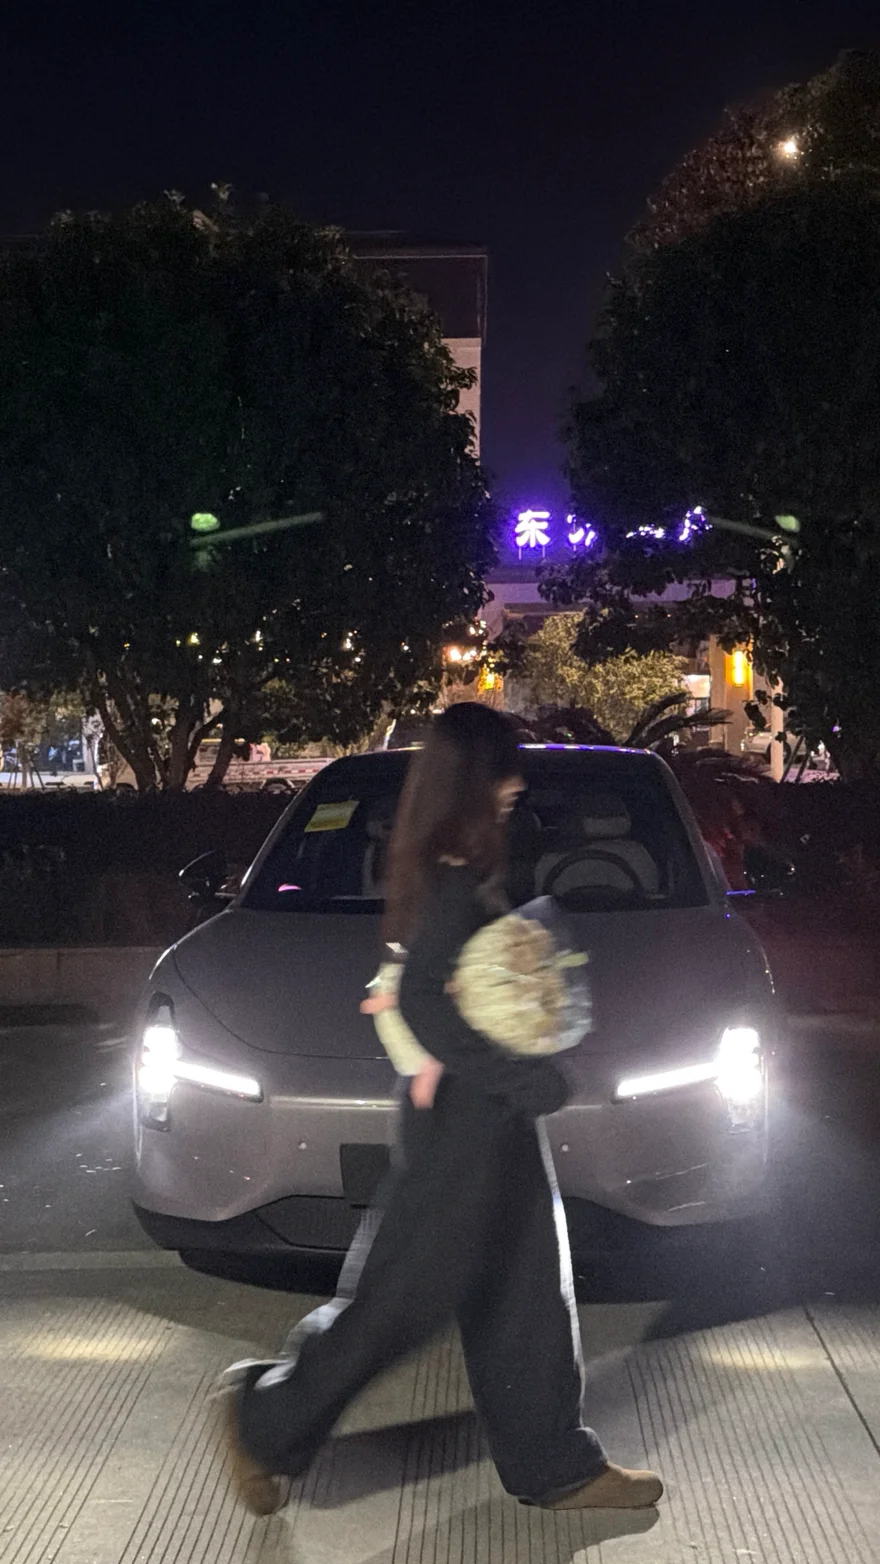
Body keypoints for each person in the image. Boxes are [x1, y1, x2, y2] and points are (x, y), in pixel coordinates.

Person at [219, 703, 663, 1516]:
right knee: (402, 1303)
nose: (517, 784)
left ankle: (557, 1465)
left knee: (525, 1292)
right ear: (473, 778)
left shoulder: (448, 864)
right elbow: (425, 1000)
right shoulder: (454, 876)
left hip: (480, 1117)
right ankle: (263, 1420)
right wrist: (525, 1079)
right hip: (464, 1126)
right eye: (505, 769)